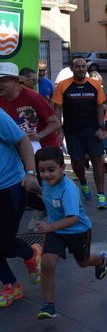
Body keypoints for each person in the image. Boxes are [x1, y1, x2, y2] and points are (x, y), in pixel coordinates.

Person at [31, 146, 107, 319]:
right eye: (42, 170)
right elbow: (48, 195)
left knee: (83, 262)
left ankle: (101, 260)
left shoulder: (69, 189)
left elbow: (72, 218)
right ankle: (48, 305)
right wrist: (36, 190)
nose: (46, 175)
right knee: (47, 263)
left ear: (62, 168)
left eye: (51, 170)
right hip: (56, 231)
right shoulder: (46, 182)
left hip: (77, 231)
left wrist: (50, 227)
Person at [52, 57, 107, 209]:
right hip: (72, 131)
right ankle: (83, 182)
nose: (81, 69)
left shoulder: (95, 84)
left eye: (83, 66)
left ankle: (101, 194)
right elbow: (57, 109)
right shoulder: (63, 85)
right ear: (72, 68)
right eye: (78, 67)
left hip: (92, 130)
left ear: (86, 68)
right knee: (77, 164)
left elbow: (100, 106)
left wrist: (101, 127)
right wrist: (59, 130)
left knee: (98, 161)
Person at [0, 107, 42, 309]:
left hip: (9, 186)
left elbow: (23, 141)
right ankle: (10, 285)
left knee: (4, 243)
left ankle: (30, 253)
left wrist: (31, 173)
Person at [0, 62, 61, 148]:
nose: (0, 85)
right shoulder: (1, 98)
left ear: (16, 80)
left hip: (45, 150)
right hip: (20, 150)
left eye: (3, 81)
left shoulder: (33, 97)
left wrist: (39, 135)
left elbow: (55, 123)